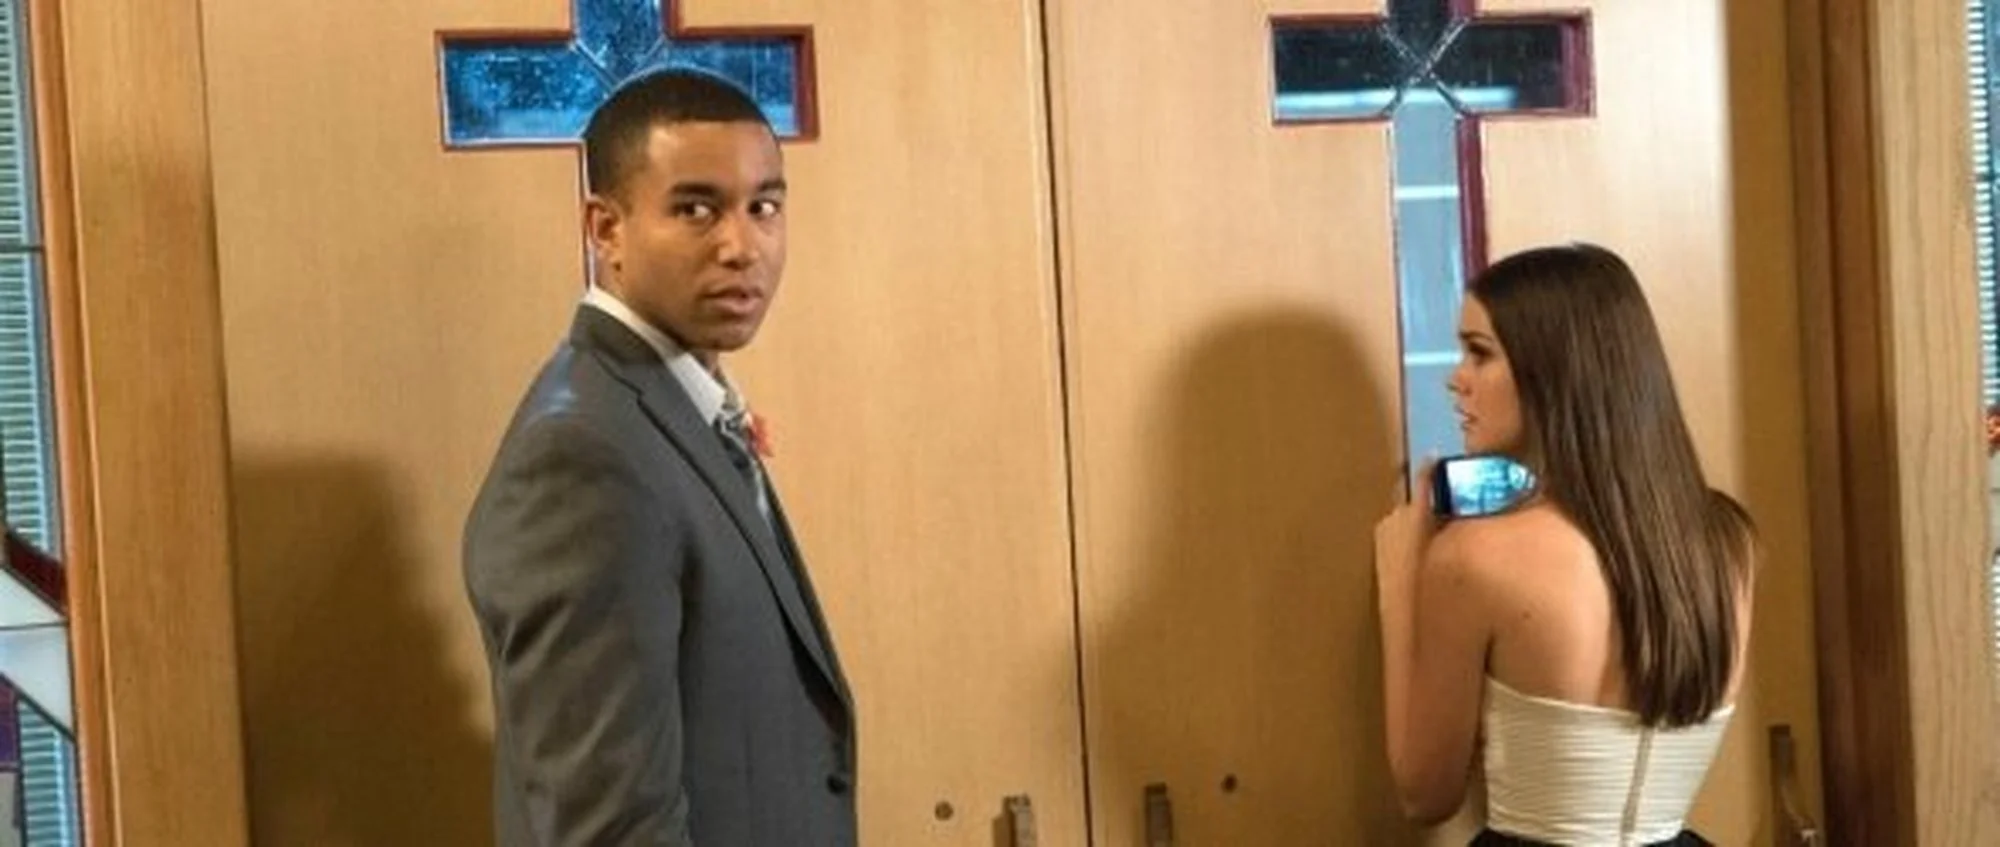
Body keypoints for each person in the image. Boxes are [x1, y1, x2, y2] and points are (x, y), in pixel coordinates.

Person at [463, 68, 854, 846]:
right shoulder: (582, 456)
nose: (741, 246)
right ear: (605, 228)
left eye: (763, 206)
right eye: (696, 208)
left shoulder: (669, 407)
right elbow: (610, 825)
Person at [1373, 244, 1755, 846]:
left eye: (1480, 352)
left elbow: (1425, 794)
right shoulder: (1729, 544)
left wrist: (1401, 584)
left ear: (1553, 370)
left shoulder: (1475, 558)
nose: (1456, 378)